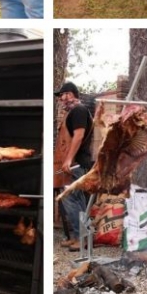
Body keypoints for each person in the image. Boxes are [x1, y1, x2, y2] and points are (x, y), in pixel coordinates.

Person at [54, 82, 93, 251]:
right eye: (61, 96)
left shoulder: (78, 111)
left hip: (76, 164)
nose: (62, 99)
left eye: (64, 95)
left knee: (71, 199)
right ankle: (80, 236)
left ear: (72, 94)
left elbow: (78, 136)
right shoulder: (72, 113)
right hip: (73, 164)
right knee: (77, 200)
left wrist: (69, 159)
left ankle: (82, 238)